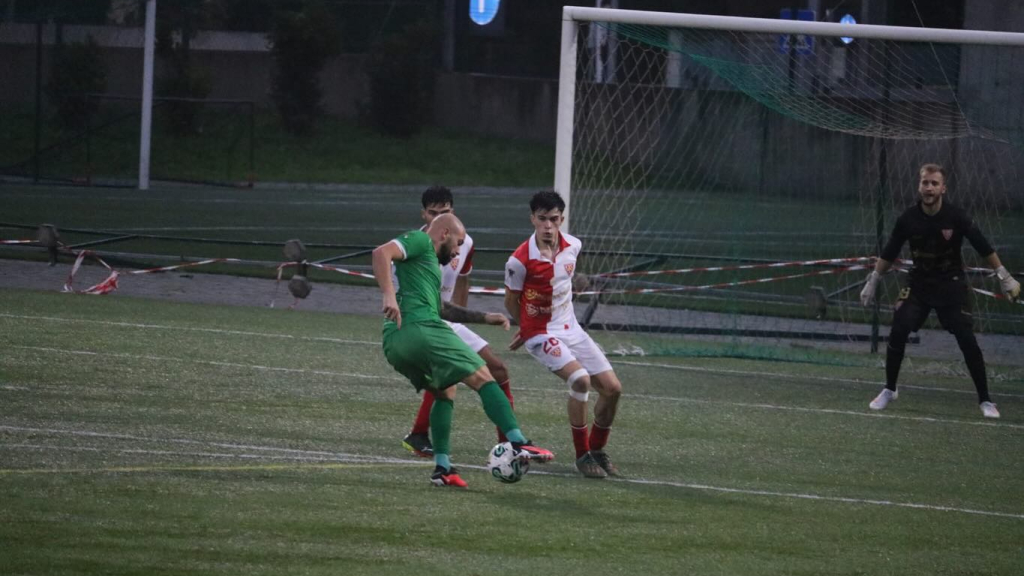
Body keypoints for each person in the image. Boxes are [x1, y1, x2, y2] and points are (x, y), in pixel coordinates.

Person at [373, 212, 553, 487]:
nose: (458, 251)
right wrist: (388, 295)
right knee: (484, 376)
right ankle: (518, 442)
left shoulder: (427, 267)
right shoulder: (421, 240)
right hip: (421, 329)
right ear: (444, 234)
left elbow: (442, 309)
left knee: (445, 391)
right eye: (457, 243)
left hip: (395, 342)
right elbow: (381, 253)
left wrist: (485, 317)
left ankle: (442, 468)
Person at [860, 163, 1020, 419]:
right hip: (918, 284)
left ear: (943, 188)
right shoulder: (908, 219)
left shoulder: (956, 217)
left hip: (951, 285)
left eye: (934, 183)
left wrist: (1005, 276)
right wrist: (874, 279)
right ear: (919, 186)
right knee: (899, 327)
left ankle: (986, 400)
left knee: (966, 339)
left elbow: (982, 245)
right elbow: (890, 251)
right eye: (925, 182)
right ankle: (889, 389)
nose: (929, 188)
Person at [504, 191, 623, 479]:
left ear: (562, 219)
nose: (548, 226)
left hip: (572, 329)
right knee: (580, 379)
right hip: (541, 333)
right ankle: (582, 456)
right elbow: (510, 301)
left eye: (554, 219)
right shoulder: (519, 260)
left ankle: (597, 451)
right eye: (542, 219)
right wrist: (526, 327)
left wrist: (576, 286)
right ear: (532, 219)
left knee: (612, 389)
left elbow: (565, 280)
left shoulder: (573, 246)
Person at [401, 187, 517, 458]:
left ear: (452, 212)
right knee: (450, 379)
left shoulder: (465, 242)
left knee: (499, 370)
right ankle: (423, 438)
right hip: (423, 322)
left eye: (444, 212)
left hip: (447, 318)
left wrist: (463, 319)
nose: (439, 217)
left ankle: (510, 444)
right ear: (423, 214)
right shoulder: (415, 246)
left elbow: (463, 278)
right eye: (433, 213)